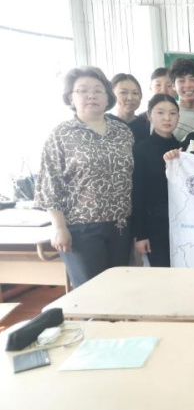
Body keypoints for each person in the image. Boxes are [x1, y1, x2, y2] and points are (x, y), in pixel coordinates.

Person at [35, 66, 134, 288]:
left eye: (98, 90)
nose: (92, 96)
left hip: (120, 227)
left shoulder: (123, 132)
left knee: (119, 291)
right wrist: (59, 227)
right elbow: (50, 184)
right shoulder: (61, 134)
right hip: (81, 230)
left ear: (107, 97)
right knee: (92, 293)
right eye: (83, 90)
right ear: (71, 97)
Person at [132, 94, 181, 267]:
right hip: (154, 227)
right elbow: (137, 193)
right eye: (160, 112)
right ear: (149, 115)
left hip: (182, 224)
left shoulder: (184, 149)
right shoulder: (140, 149)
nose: (167, 118)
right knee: (162, 275)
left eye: (173, 113)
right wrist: (141, 234)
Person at [131, 68, 177, 142]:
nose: (163, 90)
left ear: (175, 89)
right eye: (158, 85)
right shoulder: (139, 121)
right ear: (150, 88)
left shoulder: (178, 117)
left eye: (169, 85)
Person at [168, 57, 194, 141]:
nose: (188, 85)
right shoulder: (167, 113)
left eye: (193, 80)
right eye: (181, 80)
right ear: (173, 86)